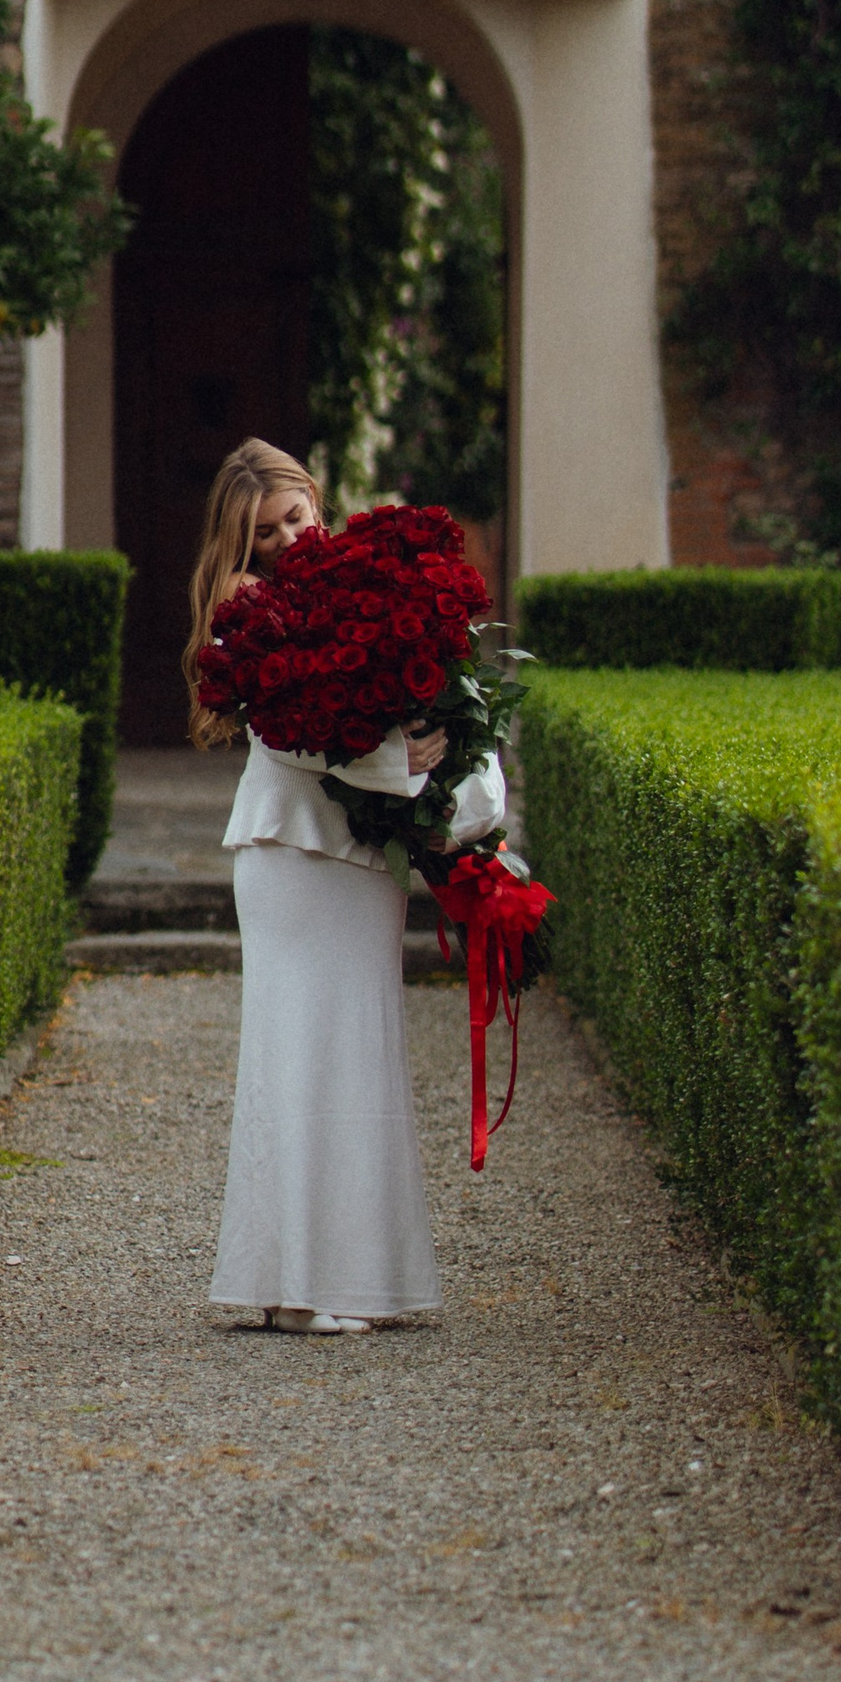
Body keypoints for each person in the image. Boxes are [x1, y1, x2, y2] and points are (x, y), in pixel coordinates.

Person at [186, 438, 505, 1337]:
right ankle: (296, 1286)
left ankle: (347, 1278)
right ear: (241, 546)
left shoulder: (367, 581)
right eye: (268, 533)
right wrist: (401, 758)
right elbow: (291, 735)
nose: (291, 537)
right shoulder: (242, 608)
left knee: (361, 1054)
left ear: (316, 500)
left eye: (297, 515)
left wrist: (446, 761)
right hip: (291, 852)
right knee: (296, 1057)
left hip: (365, 857)